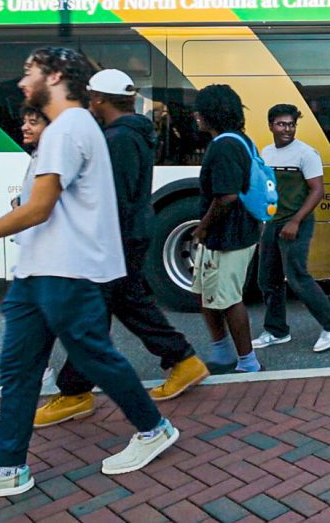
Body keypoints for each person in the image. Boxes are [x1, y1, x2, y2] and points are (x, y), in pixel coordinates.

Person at [0, 48, 178, 503]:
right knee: (19, 368)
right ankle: (9, 468)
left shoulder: (68, 127)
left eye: (29, 71)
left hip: (66, 270)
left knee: (94, 357)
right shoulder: (74, 128)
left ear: (58, 75)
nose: (21, 79)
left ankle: (154, 428)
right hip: (38, 270)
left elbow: (39, 209)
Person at [34, 70, 208, 428]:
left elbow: (109, 198)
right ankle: (182, 360)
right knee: (127, 305)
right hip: (125, 236)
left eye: (90, 99)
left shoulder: (117, 140)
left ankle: (74, 394)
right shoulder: (133, 133)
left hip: (111, 239)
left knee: (91, 316)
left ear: (99, 100)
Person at [252, 104, 330, 353]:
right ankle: (276, 331)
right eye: (282, 124)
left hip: (297, 223)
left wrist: (295, 221)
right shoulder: (267, 151)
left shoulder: (306, 154)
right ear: (270, 125)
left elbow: (318, 190)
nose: (287, 129)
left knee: (297, 277)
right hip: (273, 223)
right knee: (267, 279)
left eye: (291, 124)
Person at [192, 84, 262, 373]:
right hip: (234, 232)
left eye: (201, 109)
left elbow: (227, 196)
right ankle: (221, 351)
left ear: (212, 113)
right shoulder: (239, 140)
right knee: (206, 291)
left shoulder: (224, 146)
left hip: (228, 237)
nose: (196, 115)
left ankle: (247, 361)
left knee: (229, 298)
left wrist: (203, 229)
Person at [9, 107, 48, 210]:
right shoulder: (38, 154)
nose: (24, 127)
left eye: (33, 122)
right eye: (24, 122)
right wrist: (19, 200)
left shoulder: (50, 157)